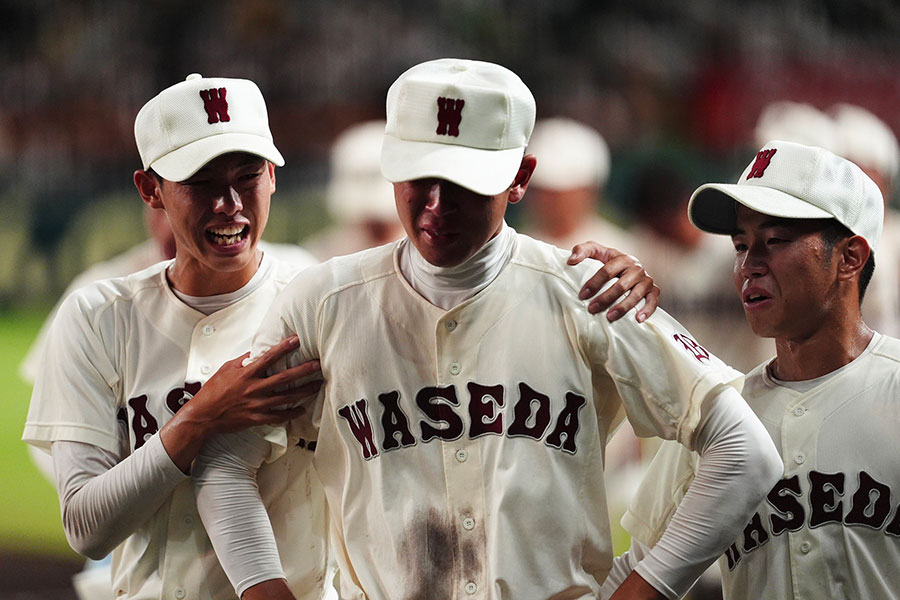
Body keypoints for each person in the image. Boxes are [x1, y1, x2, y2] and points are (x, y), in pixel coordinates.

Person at [192, 58, 782, 600]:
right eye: (420, 177)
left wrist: (645, 586)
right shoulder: (323, 301)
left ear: (520, 175)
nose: (436, 205)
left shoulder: (587, 291)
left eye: (465, 183)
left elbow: (745, 453)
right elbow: (222, 461)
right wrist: (263, 590)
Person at [22, 73, 335, 600]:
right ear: (151, 190)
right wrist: (199, 417)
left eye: (248, 175)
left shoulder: (317, 302)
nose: (229, 203)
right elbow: (86, 526)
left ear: (274, 176)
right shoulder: (98, 316)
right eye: (201, 182)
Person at [604, 140, 900, 599]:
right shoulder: (718, 415)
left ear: (850, 257)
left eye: (775, 241)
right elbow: (640, 567)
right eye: (741, 245)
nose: (747, 265)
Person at [522, 117, 633, 253]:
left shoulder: (621, 251)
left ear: (590, 191)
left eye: (559, 194)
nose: (546, 201)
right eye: (539, 191)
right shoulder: (516, 247)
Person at [303, 120, 405, 260]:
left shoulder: (424, 257)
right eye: (370, 226)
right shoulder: (319, 257)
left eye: (383, 226)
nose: (376, 231)